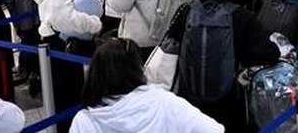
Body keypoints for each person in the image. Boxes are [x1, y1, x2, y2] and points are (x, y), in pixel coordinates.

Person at [169, 0, 281, 128]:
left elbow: (169, 45)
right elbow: (268, 53)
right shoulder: (240, 16)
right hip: (228, 100)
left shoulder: (186, 12)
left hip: (190, 98)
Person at [70, 38, 224, 133]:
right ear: (137, 68)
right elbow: (213, 130)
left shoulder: (85, 120)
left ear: (95, 73)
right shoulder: (164, 101)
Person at [29, 0, 102, 130]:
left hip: (57, 45)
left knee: (64, 93)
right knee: (67, 94)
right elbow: (68, 20)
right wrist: (94, 23)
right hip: (60, 47)